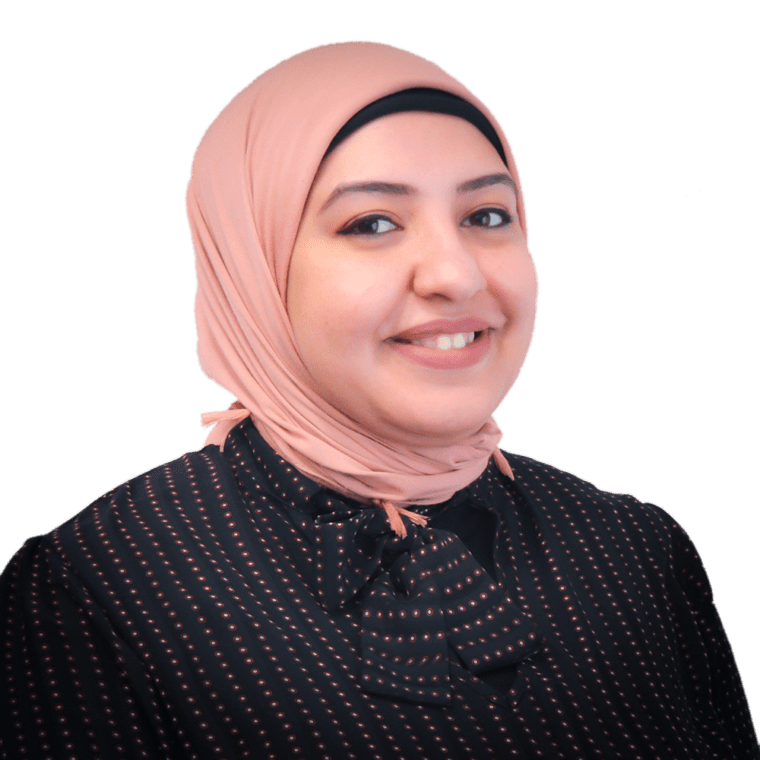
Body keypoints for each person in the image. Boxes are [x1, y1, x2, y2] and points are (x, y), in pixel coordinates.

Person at [1, 40, 757, 760]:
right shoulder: (101, 591)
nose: (456, 275)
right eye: (372, 223)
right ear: (253, 271)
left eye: (486, 215)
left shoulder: (636, 553)